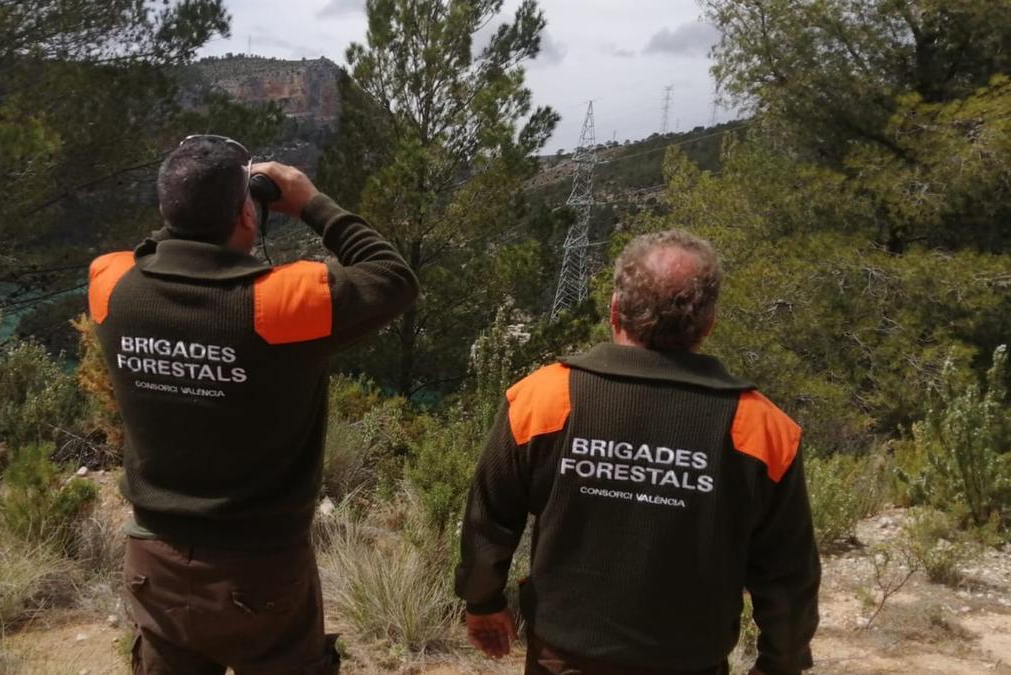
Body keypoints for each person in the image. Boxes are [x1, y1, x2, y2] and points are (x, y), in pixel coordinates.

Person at [87, 135, 418, 674]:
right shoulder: (278, 307)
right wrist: (309, 201)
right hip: (259, 568)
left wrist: (196, 195)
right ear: (247, 211)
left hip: (152, 559)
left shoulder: (112, 286)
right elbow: (392, 277)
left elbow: (155, 248)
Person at [455, 230, 820, 675]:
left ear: (614, 310)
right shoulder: (763, 429)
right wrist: (781, 663)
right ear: (709, 323)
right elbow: (788, 574)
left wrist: (483, 600)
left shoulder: (544, 398)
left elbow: (489, 518)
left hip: (563, 660)